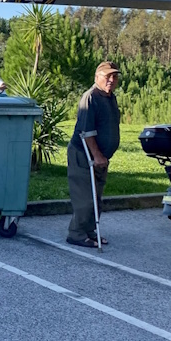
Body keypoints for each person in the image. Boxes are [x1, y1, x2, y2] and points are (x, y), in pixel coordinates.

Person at [66, 61, 121, 248]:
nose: (111, 80)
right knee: (85, 197)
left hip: (101, 156)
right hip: (84, 154)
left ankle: (89, 230)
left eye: (114, 76)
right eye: (107, 76)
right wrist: (97, 155)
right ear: (97, 77)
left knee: (96, 197)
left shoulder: (110, 97)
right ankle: (76, 233)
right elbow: (86, 131)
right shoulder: (90, 97)